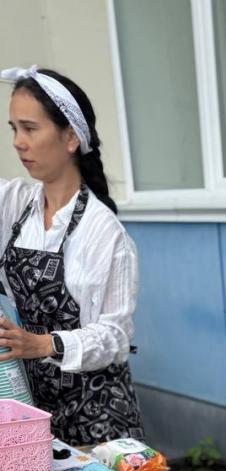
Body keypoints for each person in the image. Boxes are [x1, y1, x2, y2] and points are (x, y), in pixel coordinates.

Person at [0, 65, 143, 443]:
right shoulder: (17, 204)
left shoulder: (103, 232)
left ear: (70, 138)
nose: (18, 142)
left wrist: (42, 344)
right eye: (13, 129)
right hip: (35, 409)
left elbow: (114, 337)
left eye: (30, 128)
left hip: (98, 418)